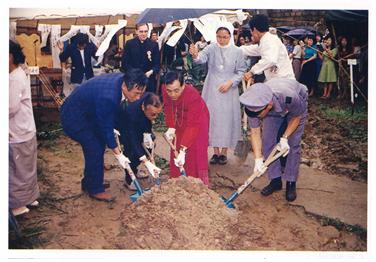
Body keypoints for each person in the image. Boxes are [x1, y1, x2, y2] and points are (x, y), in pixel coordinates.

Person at [60, 69, 147, 202]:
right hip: (74, 118)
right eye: (136, 94)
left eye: (141, 94)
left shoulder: (123, 80)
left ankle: (90, 182)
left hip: (89, 113)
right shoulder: (109, 96)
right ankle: (95, 189)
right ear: (125, 86)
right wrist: (118, 154)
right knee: (94, 147)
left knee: (98, 144)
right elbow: (106, 127)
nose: (138, 98)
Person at [239, 78, 308, 202]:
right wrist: (258, 159)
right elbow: (255, 132)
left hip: (295, 104)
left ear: (269, 105)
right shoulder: (254, 105)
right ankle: (275, 180)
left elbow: (296, 117)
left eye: (259, 114)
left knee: (293, 144)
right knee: (268, 141)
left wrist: (285, 138)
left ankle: (291, 182)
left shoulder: (288, 96)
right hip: (272, 109)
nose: (258, 117)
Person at [189, 25, 246, 165]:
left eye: (225, 37)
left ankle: (224, 152)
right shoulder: (211, 48)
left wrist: (231, 82)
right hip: (212, 87)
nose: (222, 39)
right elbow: (200, 59)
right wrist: (195, 54)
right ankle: (215, 152)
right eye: (219, 37)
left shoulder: (237, 51)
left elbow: (241, 71)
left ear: (230, 37)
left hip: (229, 89)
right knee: (212, 117)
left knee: (226, 118)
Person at [162, 70, 210, 185]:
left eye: (176, 91)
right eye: (169, 91)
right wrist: (171, 127)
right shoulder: (165, 89)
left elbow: (193, 125)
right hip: (179, 118)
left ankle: (198, 184)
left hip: (198, 120)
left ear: (183, 86)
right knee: (176, 146)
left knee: (195, 150)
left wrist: (183, 150)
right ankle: (177, 181)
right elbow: (168, 108)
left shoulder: (193, 96)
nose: (172, 94)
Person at [9, 40, 40, 216]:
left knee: (17, 168)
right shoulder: (18, 72)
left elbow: (11, 107)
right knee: (26, 167)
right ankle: (29, 197)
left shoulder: (15, 77)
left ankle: (18, 204)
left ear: (10, 56)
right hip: (25, 128)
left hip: (18, 129)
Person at [115, 92, 163, 190]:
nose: (155, 118)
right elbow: (133, 141)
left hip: (141, 121)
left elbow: (148, 121)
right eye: (153, 114)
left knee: (149, 146)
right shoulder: (131, 114)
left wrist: (148, 136)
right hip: (123, 127)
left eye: (158, 114)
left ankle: (135, 170)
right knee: (132, 152)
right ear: (143, 107)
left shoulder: (149, 99)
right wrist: (145, 161)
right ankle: (129, 180)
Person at [241, 14, 295, 83]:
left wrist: (251, 72)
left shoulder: (269, 40)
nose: (251, 34)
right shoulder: (265, 41)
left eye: (251, 32)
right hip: (277, 83)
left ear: (254, 30)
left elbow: (270, 59)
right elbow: (253, 49)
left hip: (284, 83)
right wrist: (236, 49)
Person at [121, 23, 160, 93]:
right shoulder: (129, 44)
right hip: (133, 81)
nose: (144, 34)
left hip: (149, 81)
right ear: (136, 31)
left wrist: (151, 72)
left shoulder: (154, 44)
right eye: (141, 31)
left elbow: (157, 65)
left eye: (146, 31)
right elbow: (125, 64)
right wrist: (135, 74)